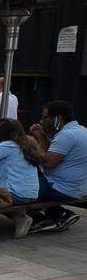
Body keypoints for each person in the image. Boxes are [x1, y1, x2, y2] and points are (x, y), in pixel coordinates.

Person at [28, 100, 87, 233]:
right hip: (79, 186)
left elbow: (48, 162)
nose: (42, 121)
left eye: (44, 117)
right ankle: (59, 214)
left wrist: (35, 141)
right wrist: (42, 136)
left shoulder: (66, 136)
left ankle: (39, 219)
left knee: (21, 188)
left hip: (61, 188)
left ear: (57, 118)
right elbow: (51, 156)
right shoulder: (81, 130)